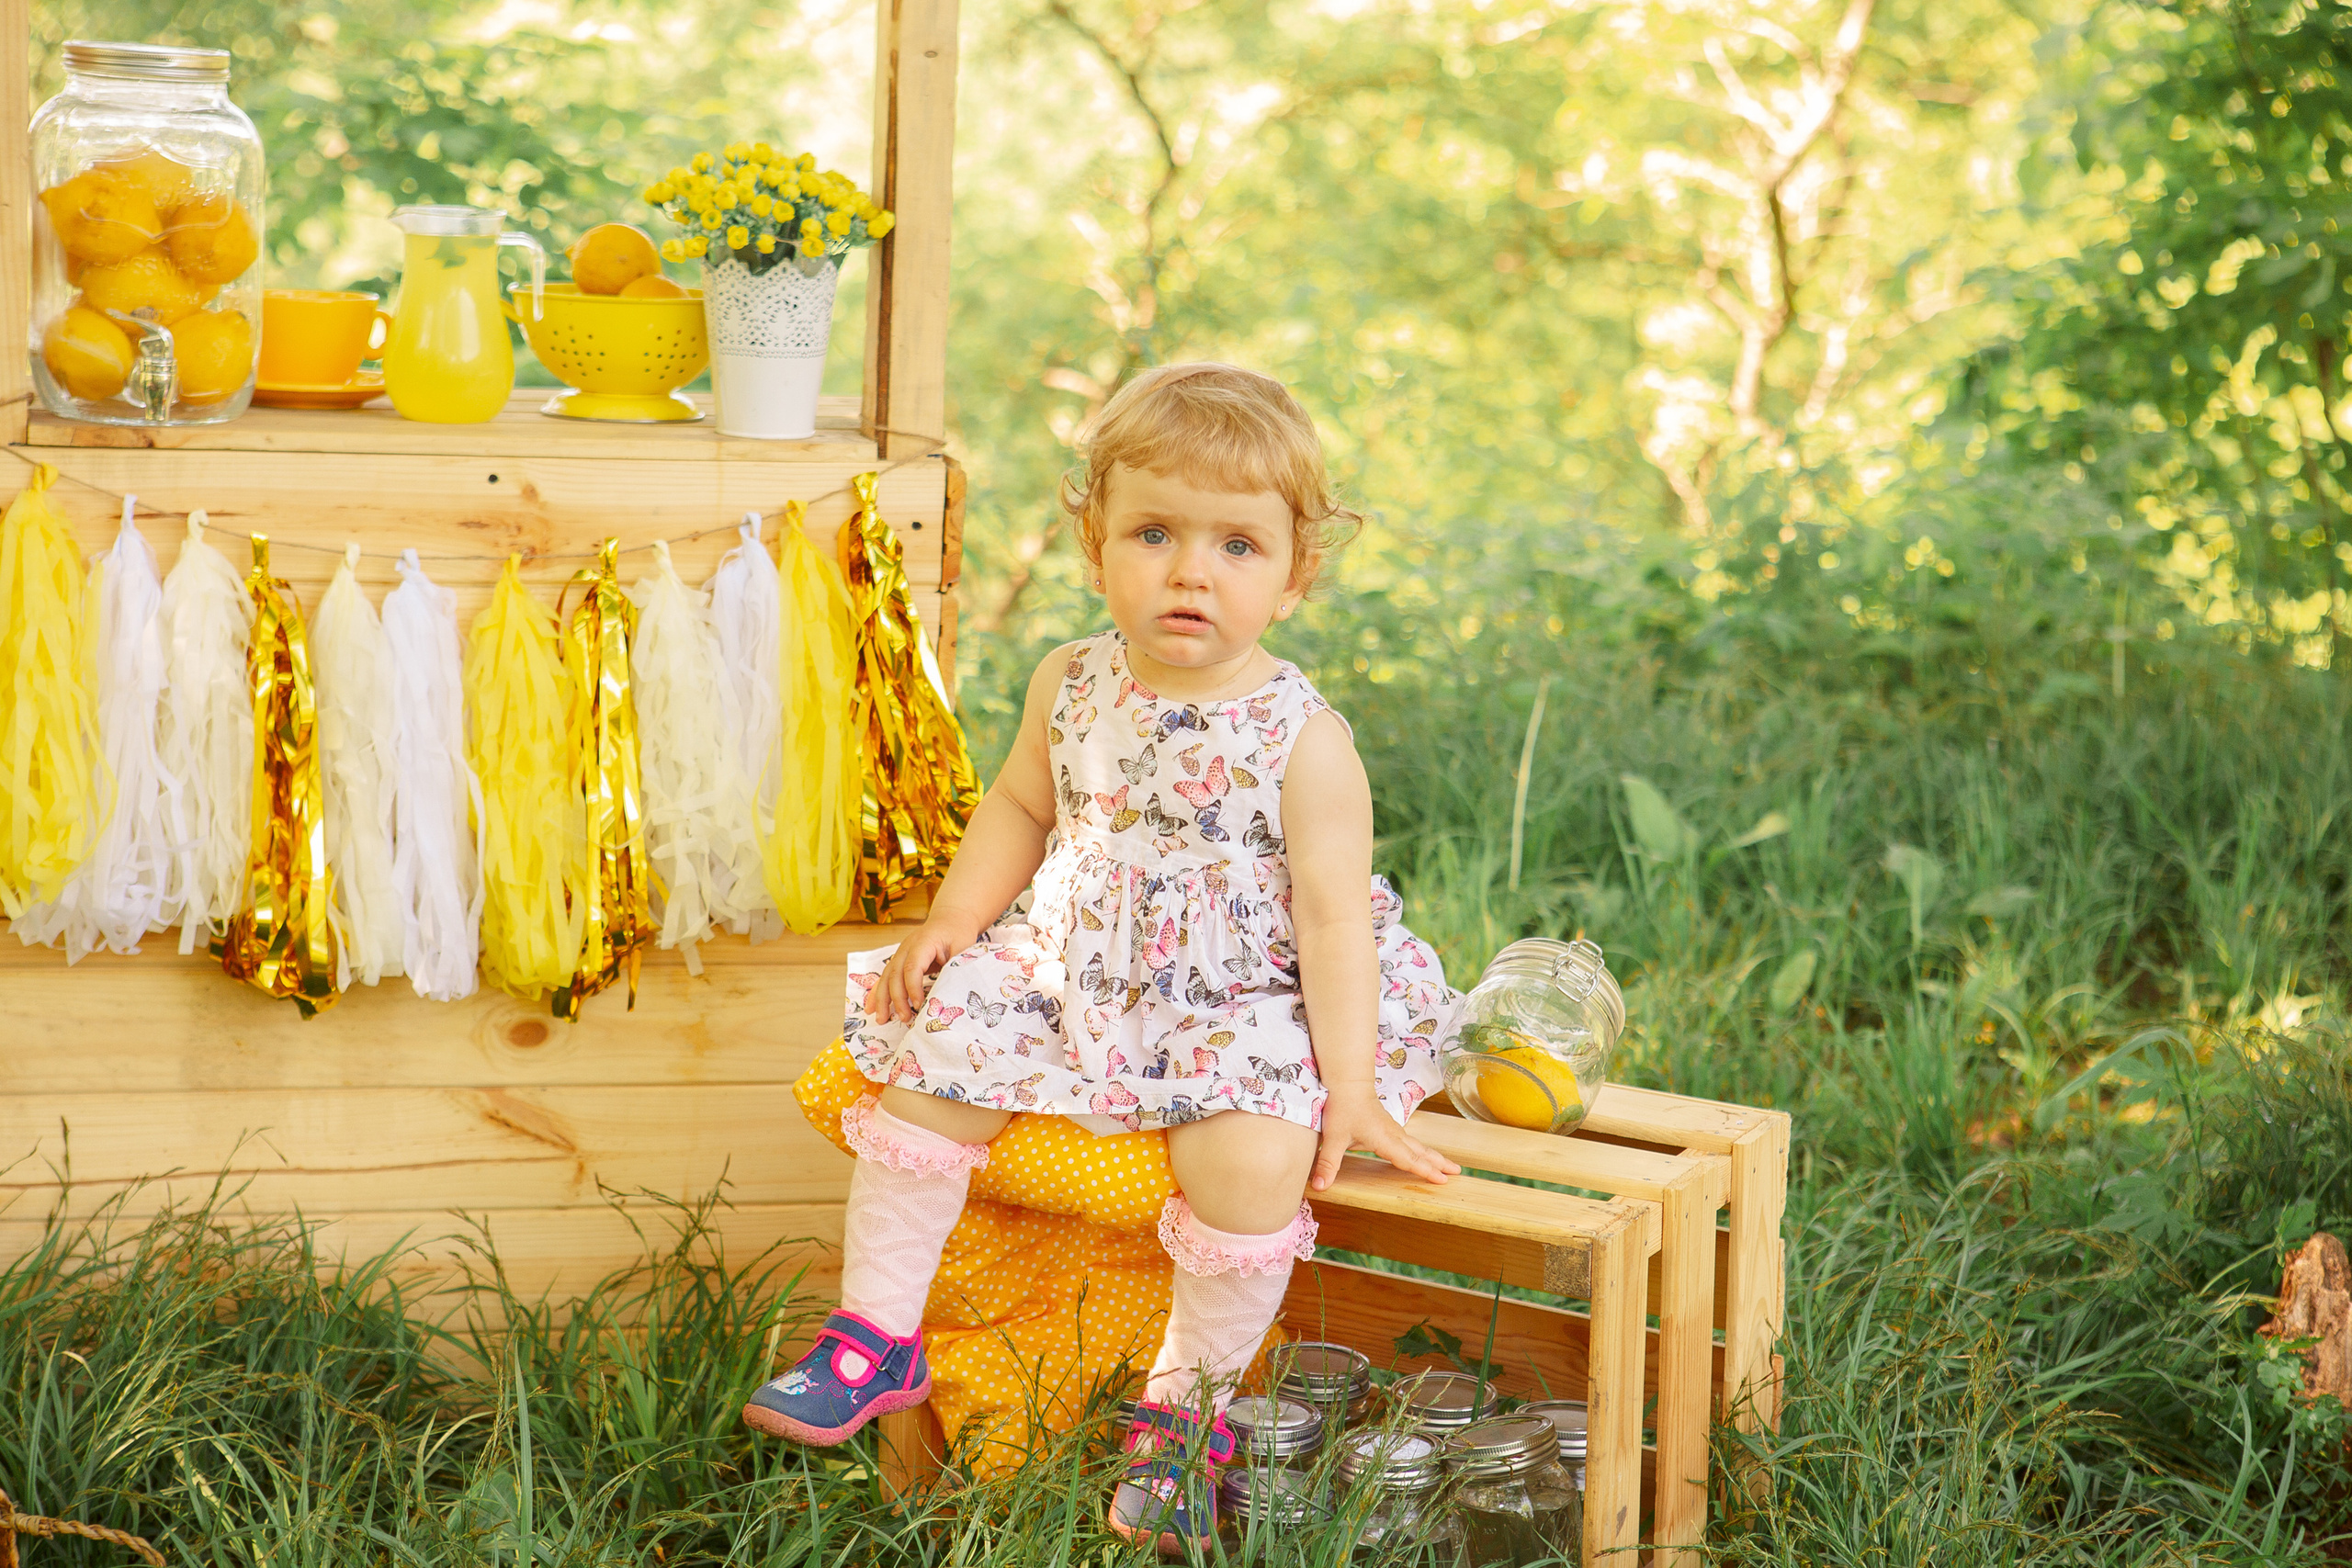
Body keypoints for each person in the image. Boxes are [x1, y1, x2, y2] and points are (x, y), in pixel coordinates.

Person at [741, 362, 1464, 1552]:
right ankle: (874, 1337)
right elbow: (1022, 810)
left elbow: (1333, 923)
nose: (1191, 570)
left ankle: (1185, 1420)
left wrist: (1358, 1084)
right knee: (934, 1051)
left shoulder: (1304, 739)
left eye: (1238, 546)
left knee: (1251, 1154)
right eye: (1156, 532)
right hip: (1074, 956)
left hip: (1247, 982)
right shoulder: (1069, 680)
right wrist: (955, 921)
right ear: (1096, 542)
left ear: (1292, 577)